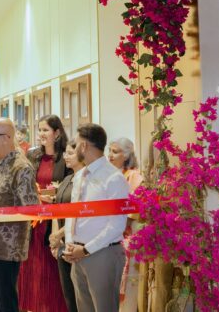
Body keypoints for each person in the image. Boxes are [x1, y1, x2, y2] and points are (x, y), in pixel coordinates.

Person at [63, 124, 129, 312]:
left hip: (103, 254)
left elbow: (116, 225)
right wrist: (70, 243)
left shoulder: (113, 178)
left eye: (76, 144)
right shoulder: (79, 176)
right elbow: (73, 213)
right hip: (77, 255)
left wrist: (85, 249)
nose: (74, 149)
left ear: (84, 146)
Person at [0, 118, 39, 312]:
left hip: (7, 248)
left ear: (6, 138)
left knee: (6, 303)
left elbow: (31, 210)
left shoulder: (21, 168)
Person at [18, 115, 70, 312]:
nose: (41, 134)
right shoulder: (32, 155)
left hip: (55, 221)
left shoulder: (66, 157)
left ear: (57, 133)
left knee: (51, 269)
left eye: (45, 130)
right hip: (34, 220)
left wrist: (55, 197)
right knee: (33, 268)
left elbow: (69, 188)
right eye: (39, 130)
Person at [108, 138, 143, 312]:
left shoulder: (134, 176)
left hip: (126, 237)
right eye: (109, 150)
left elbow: (132, 211)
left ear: (127, 155)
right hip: (110, 237)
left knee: (127, 290)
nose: (110, 155)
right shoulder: (112, 176)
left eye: (115, 152)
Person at [49, 140, 83, 312]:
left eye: (70, 153)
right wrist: (55, 239)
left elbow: (81, 213)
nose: (66, 157)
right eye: (65, 153)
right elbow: (56, 210)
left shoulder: (86, 180)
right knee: (69, 296)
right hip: (62, 243)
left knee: (81, 298)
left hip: (78, 243)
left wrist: (59, 235)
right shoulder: (67, 179)